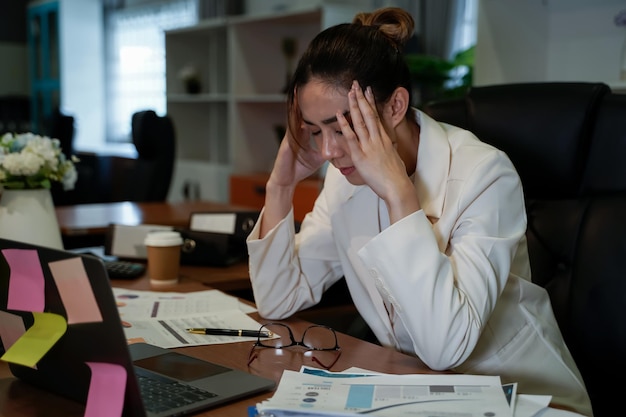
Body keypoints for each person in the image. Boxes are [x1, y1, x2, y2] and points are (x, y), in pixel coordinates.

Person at [246, 7, 593, 416]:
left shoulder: (485, 175)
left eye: (342, 127)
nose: (327, 152)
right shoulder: (345, 179)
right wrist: (281, 186)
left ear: (395, 107)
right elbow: (277, 299)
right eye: (315, 130)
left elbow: (445, 346)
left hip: (524, 398)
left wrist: (398, 193)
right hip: (419, 390)